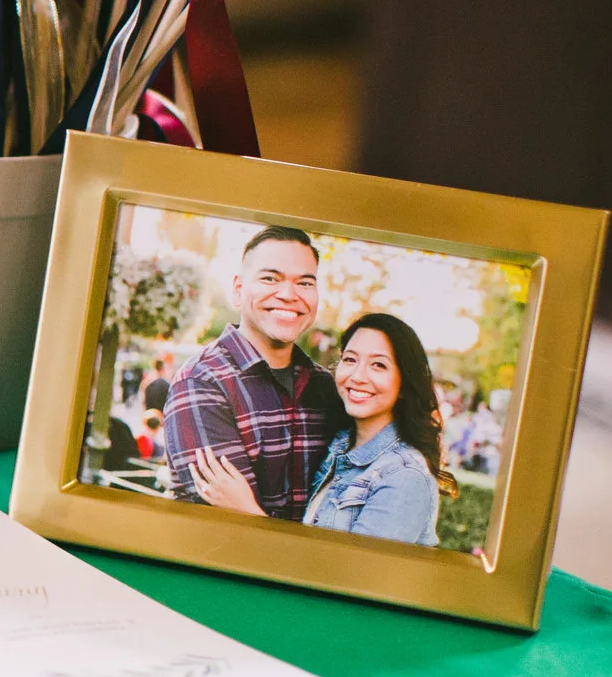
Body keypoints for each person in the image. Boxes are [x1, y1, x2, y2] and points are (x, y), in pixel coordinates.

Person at [195, 312, 451, 545]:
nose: (358, 376)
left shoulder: (404, 476)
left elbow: (349, 581)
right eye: (350, 360)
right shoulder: (338, 447)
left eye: (378, 365)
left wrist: (247, 512)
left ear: (405, 384)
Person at [159, 225, 345, 521]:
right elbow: (229, 528)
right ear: (238, 290)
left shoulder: (325, 386)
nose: (288, 294)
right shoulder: (202, 382)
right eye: (270, 278)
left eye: (305, 283)